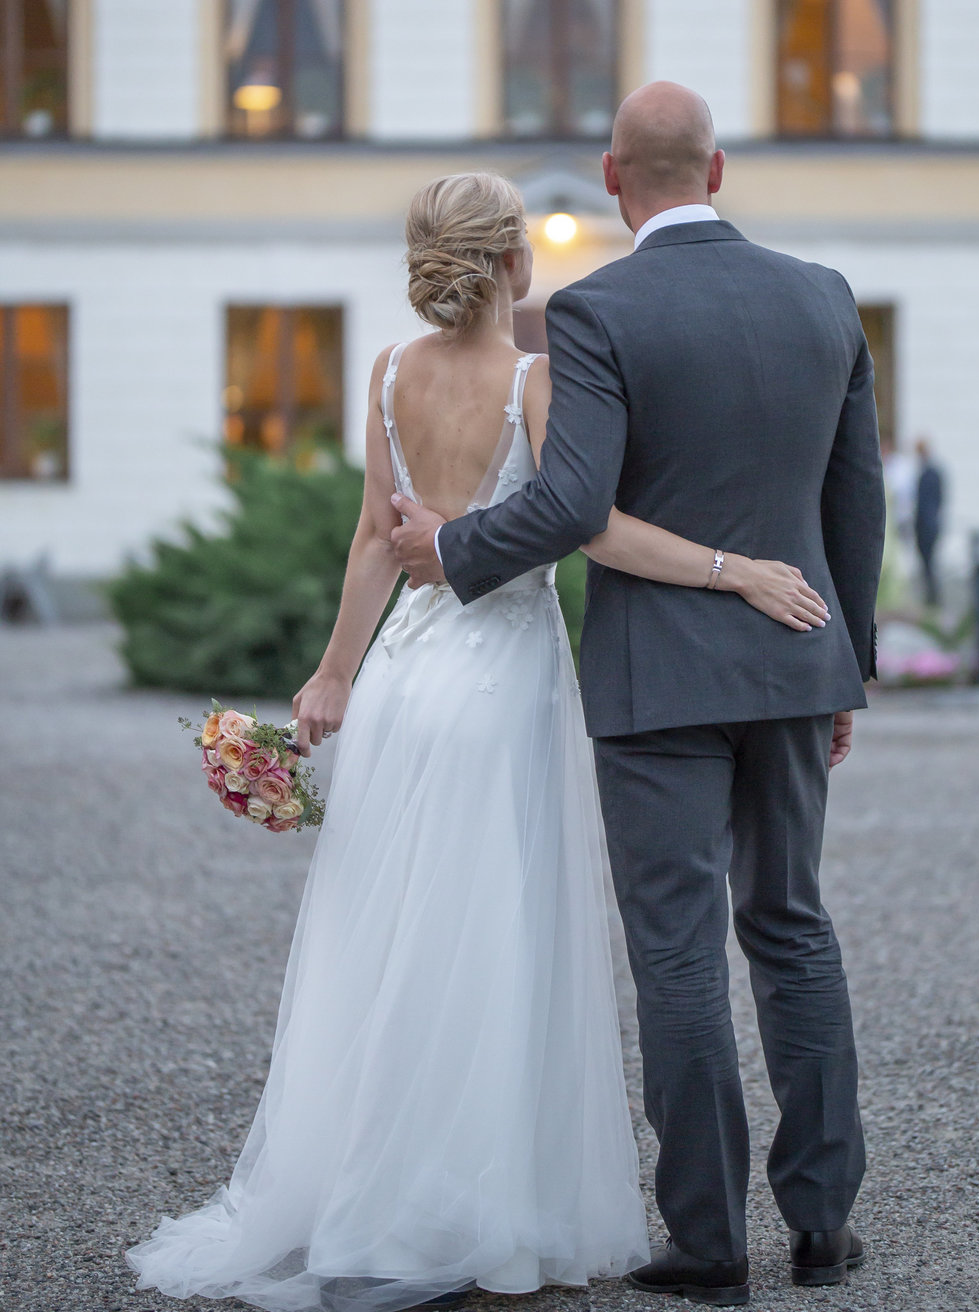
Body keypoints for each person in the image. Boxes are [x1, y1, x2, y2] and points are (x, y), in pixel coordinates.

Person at [127, 171, 827, 1312]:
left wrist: (333, 673)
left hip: (407, 678)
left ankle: (377, 1193)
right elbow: (587, 527)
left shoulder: (390, 372)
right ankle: (474, 1215)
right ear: (515, 263)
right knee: (496, 940)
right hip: (503, 683)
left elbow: (370, 540)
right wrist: (731, 568)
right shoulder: (536, 382)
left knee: (397, 938)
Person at [391, 85, 886, 1300]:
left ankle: (709, 1247)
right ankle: (822, 1229)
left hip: (656, 680)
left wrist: (449, 553)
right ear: (715, 171)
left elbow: (570, 508)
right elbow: (854, 497)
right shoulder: (823, 296)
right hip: (793, 657)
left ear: (614, 178)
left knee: (676, 955)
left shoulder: (598, 312)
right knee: (794, 929)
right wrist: (847, 667)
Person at [914, 438, 945, 607]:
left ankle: (933, 597)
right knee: (928, 563)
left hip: (927, 527)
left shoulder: (929, 474)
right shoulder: (931, 473)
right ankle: (932, 596)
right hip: (928, 525)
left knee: (929, 563)